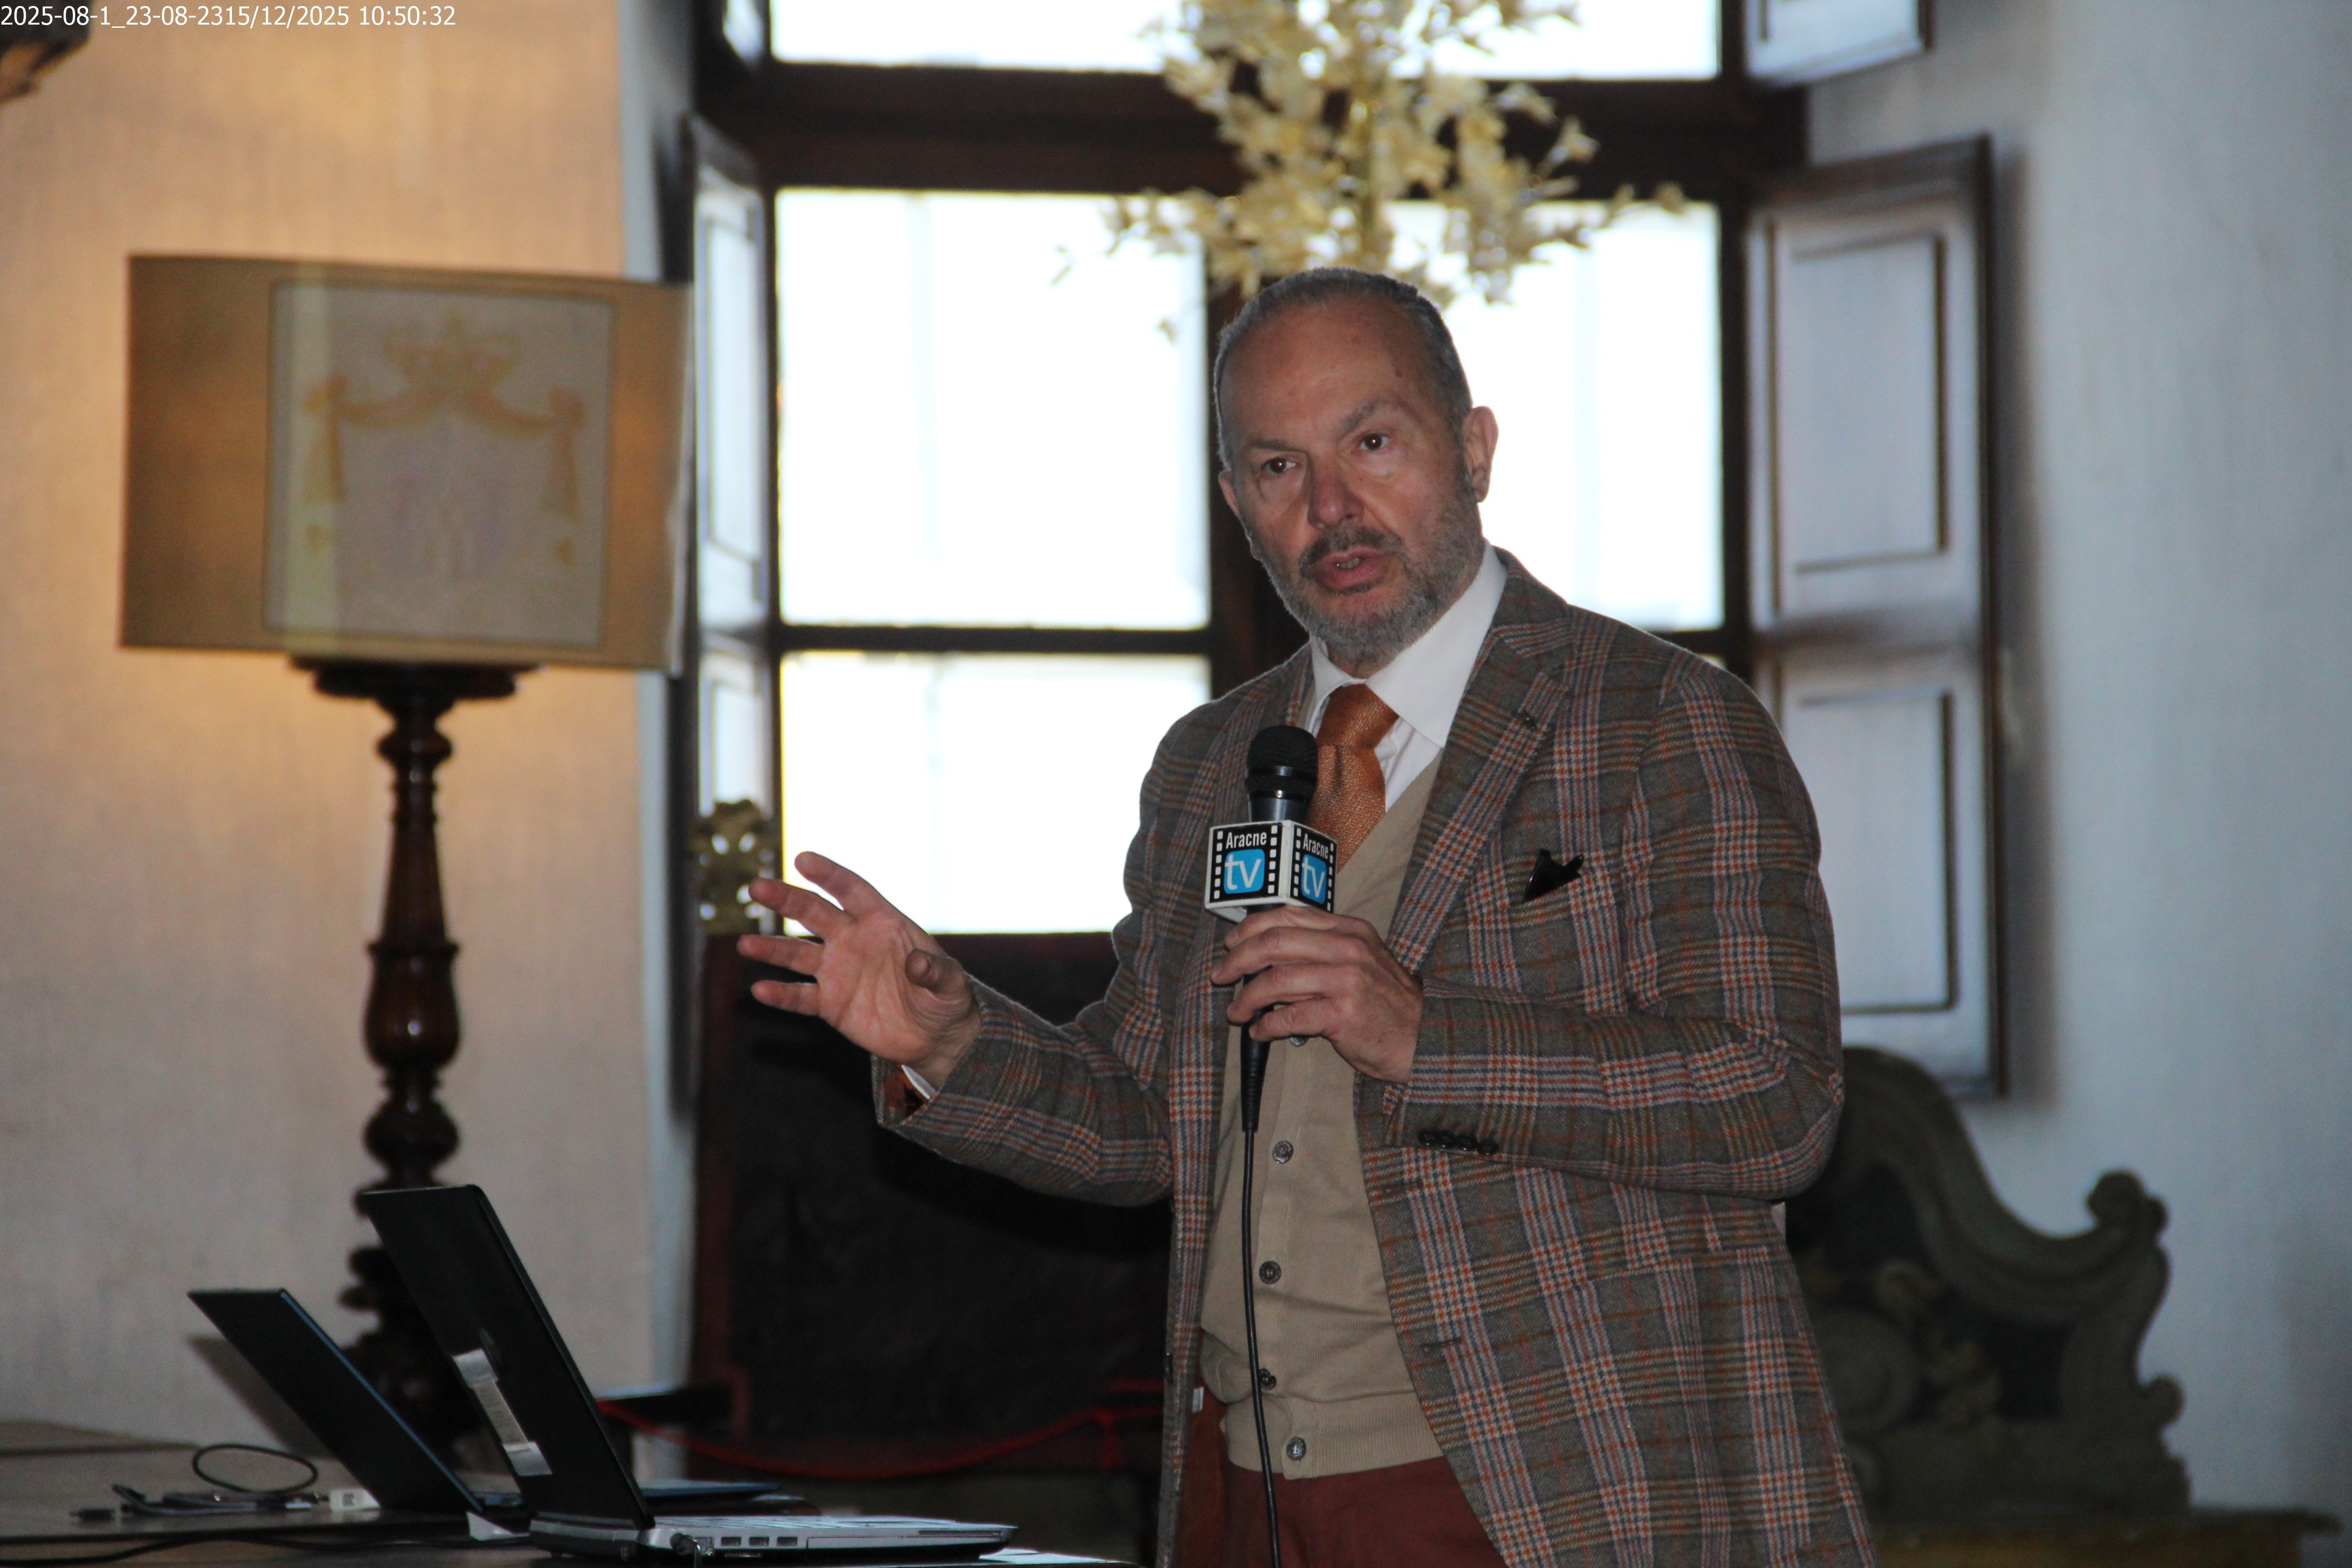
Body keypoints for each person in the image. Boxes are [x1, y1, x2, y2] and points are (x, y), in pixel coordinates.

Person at [740, 268, 1872, 1568]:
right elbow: (1146, 1123)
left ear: (1475, 449)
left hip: (1547, 1486)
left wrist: (1424, 1035)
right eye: (1279, 467)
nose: (1330, 506)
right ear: (1237, 504)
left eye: (1372, 443)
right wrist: (948, 1041)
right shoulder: (1211, 760)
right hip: (1244, 1486)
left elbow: (1778, 1098)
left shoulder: (1661, 718)